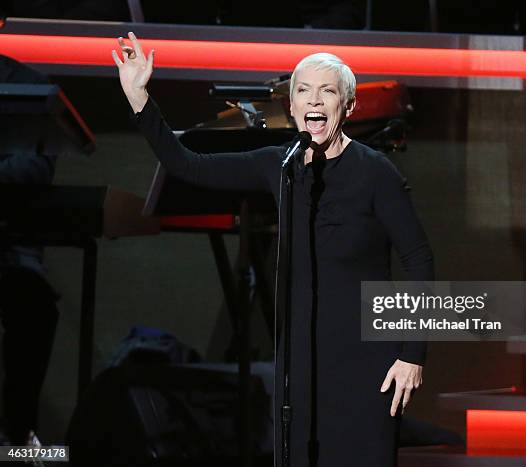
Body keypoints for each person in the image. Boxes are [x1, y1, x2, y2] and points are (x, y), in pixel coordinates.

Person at [112, 32, 433, 467]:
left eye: (327, 91)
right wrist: (139, 98)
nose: (314, 100)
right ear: (293, 107)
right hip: (299, 362)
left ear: (348, 106)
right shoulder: (277, 166)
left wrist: (412, 354)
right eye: (303, 91)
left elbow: (419, 260)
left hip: (368, 363)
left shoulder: (377, 174)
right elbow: (185, 164)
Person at [0, 54, 59, 446]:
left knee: (35, 307)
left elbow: (34, 169)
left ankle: (17, 441)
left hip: (9, 248)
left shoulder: (29, 83)